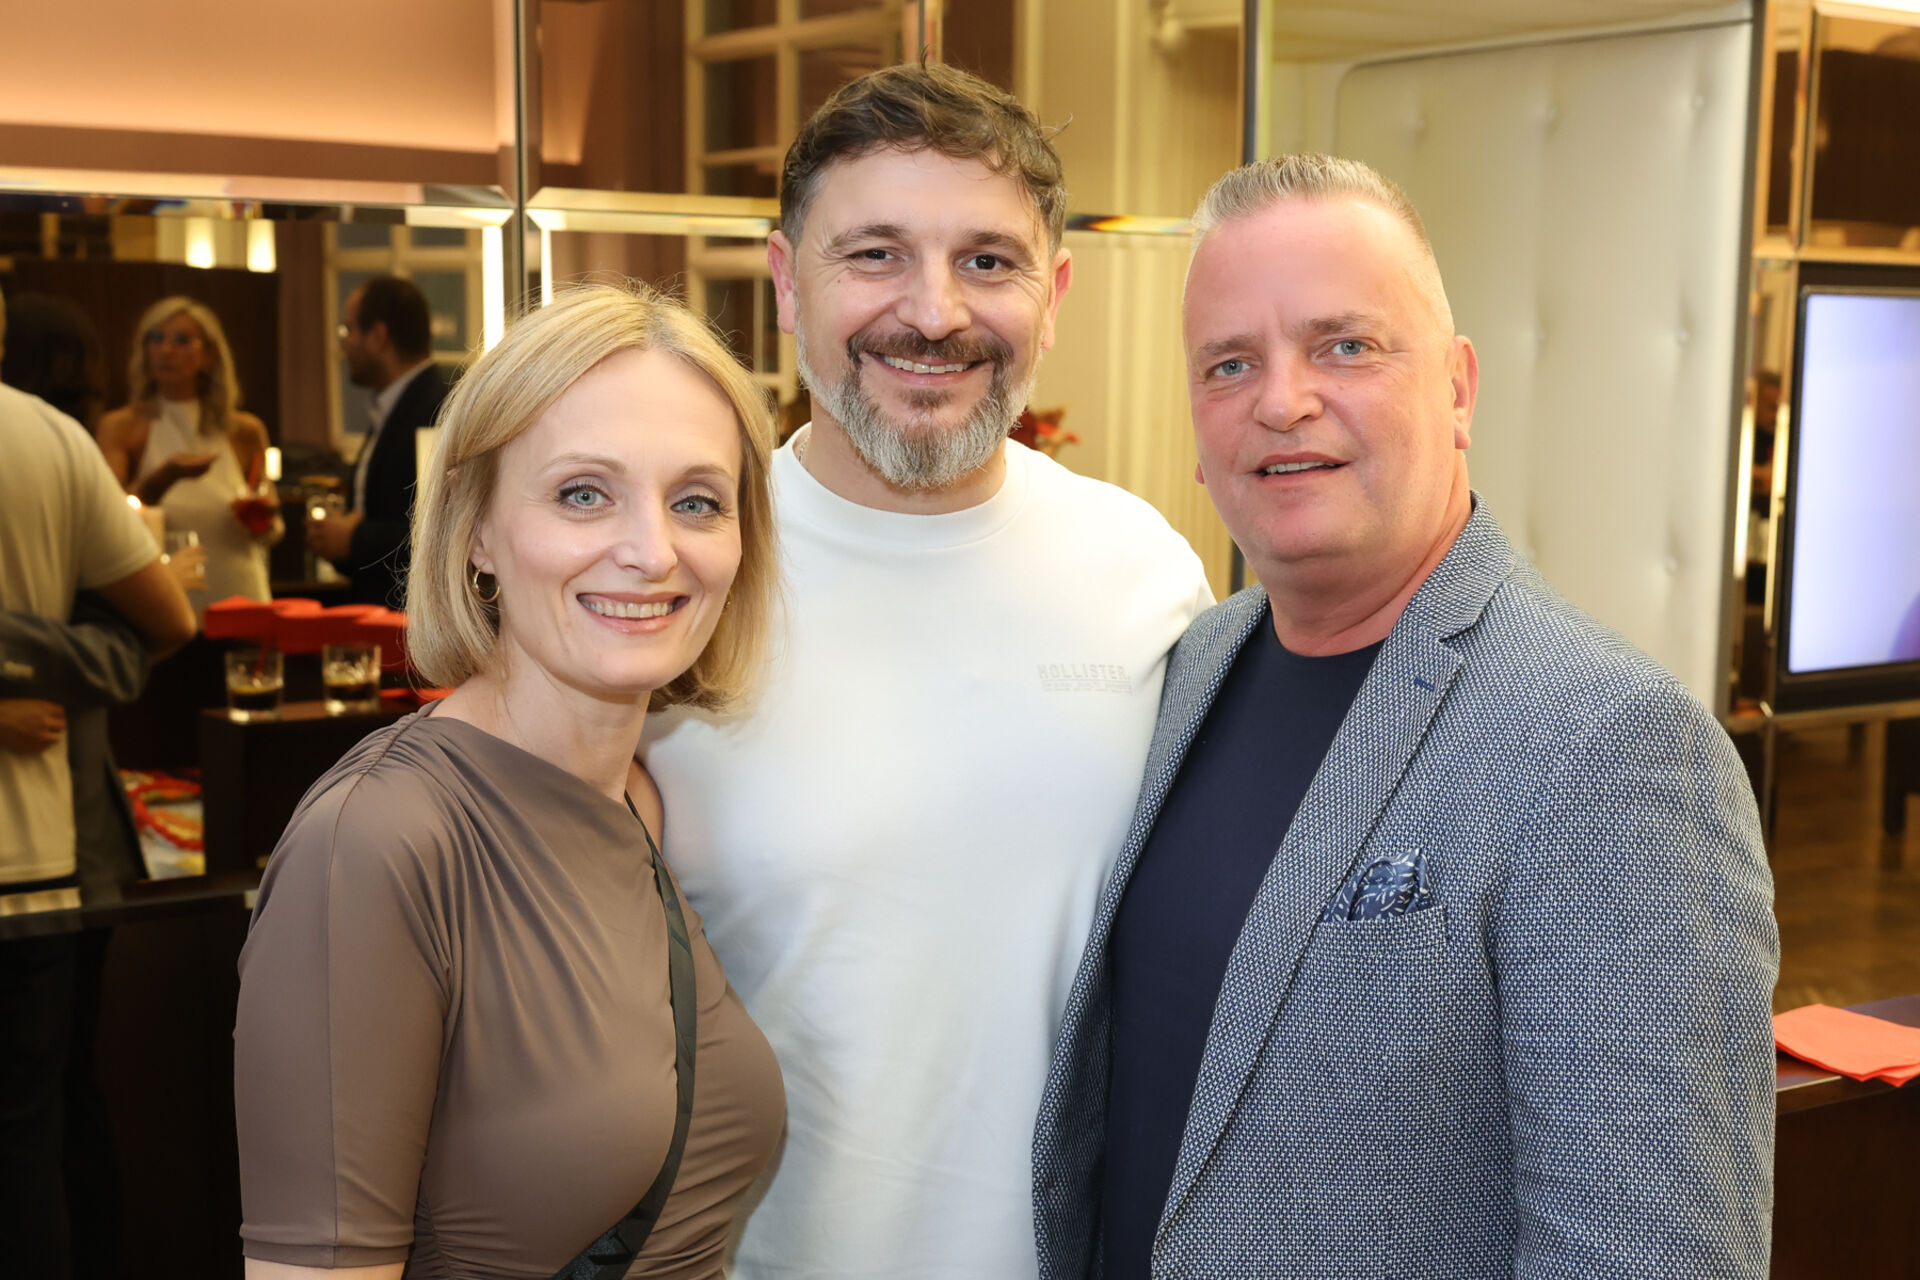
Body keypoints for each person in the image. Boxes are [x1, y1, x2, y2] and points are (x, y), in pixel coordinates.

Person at [1032, 155, 1779, 1280]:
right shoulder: (1193, 666)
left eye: (1344, 345)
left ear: (1459, 388)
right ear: (1195, 424)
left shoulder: (1608, 745)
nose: (1282, 400)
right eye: (1231, 363)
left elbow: (1649, 1255)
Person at [641, 64, 1213, 1279]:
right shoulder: (681, 583)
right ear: (786, 280)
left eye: (988, 261)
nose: (935, 312)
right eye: (876, 255)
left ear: (1055, 296)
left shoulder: (1145, 572)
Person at [233, 283, 785, 1279]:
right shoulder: (376, 843)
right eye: (584, 493)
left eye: (697, 501)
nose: (652, 551)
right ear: (476, 528)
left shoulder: (638, 797)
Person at [1, 282, 198, 1278]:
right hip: (35, 862)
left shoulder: (48, 440)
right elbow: (163, 623)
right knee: (30, 1142)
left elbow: (159, 630)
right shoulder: (55, 440)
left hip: (45, 860)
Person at [97, 296, 280, 609]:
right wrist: (163, 478)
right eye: (156, 338)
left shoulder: (245, 430)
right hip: (169, 597)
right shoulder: (122, 427)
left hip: (239, 587)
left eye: (181, 340)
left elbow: (270, 527)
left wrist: (261, 517)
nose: (166, 350)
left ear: (209, 354)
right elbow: (109, 520)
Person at [309, 276, 455, 607]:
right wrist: (338, 540)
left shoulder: (437, 407)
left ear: (378, 336)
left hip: (414, 618)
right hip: (379, 609)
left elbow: (443, 528)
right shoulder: (390, 406)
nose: (343, 345)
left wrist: (354, 540)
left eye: (348, 330)